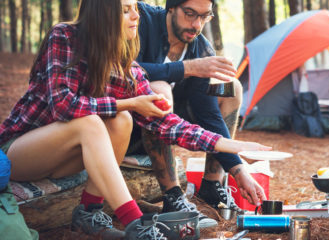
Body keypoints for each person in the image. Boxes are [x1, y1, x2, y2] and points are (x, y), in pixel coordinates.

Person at [0, 0, 270, 239]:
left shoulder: (122, 60)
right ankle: (137, 226)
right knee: (93, 121)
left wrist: (225, 145)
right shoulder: (65, 36)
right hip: (21, 152)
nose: (136, 17)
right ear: (103, 12)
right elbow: (63, 106)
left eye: (135, 10)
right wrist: (129, 103)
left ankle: (89, 212)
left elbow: (163, 122)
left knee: (122, 121)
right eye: (126, 10)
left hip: (68, 159)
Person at [132, 0, 255, 213]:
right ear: (171, 6)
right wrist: (186, 68)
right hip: (126, 122)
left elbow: (209, 115)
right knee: (160, 90)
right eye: (190, 14)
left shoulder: (201, 48)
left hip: (173, 129)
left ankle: (212, 184)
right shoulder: (141, 21)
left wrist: (238, 169)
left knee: (230, 88)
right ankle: (173, 196)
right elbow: (124, 69)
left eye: (204, 16)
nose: (197, 25)